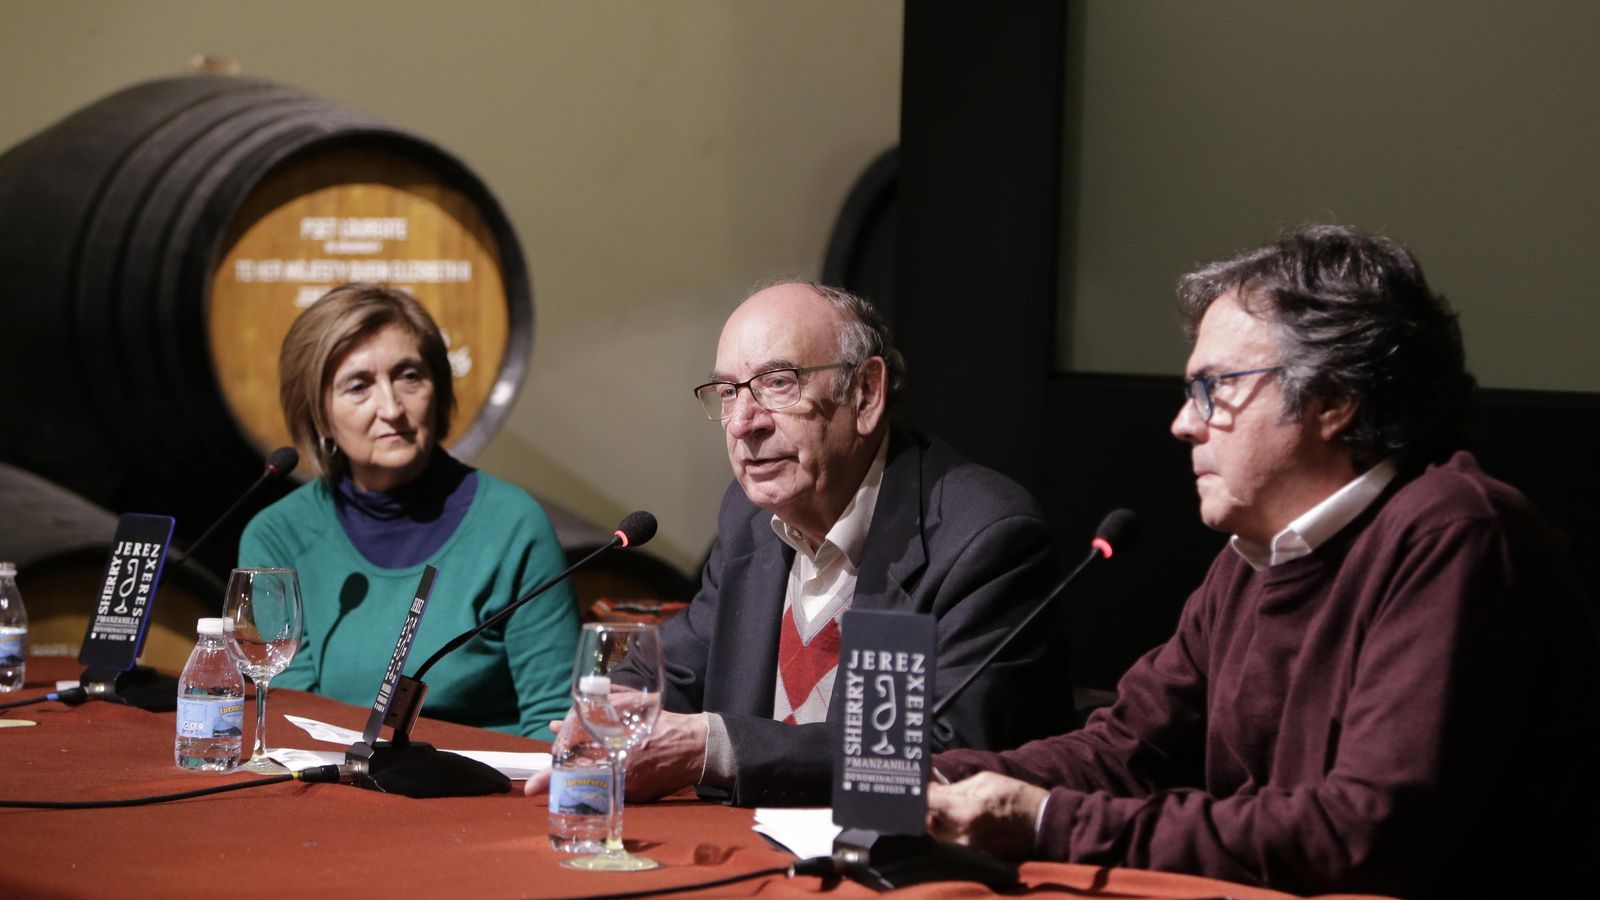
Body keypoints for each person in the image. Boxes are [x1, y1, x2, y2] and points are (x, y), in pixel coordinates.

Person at [926, 225, 1600, 897]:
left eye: (1214, 387)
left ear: (1334, 400)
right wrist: (930, 778)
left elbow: (1359, 833)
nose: (1184, 423)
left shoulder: (1457, 535)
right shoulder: (1253, 558)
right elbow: (1128, 751)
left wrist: (1043, 819)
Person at [527, 280, 1068, 806]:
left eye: (778, 383)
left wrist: (712, 749)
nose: (742, 422)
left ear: (866, 393)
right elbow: (669, 668)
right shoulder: (749, 518)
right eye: (727, 392)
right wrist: (605, 715)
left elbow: (946, 753)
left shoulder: (982, 536)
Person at [239, 284, 577, 740]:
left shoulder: (515, 526)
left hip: (489, 794)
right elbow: (299, 719)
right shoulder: (277, 537)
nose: (392, 408)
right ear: (319, 415)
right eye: (359, 387)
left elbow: (553, 724)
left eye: (409, 376)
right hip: (339, 794)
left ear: (437, 389)